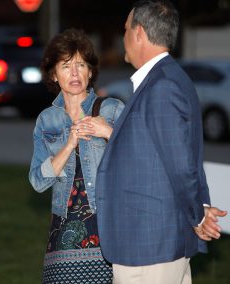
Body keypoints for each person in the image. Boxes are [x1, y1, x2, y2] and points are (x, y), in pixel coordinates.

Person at [94, 1, 228, 283]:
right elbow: (162, 152)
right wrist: (199, 210)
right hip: (159, 243)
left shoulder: (161, 86)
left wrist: (198, 217)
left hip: (148, 246)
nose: (123, 37)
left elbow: (180, 165)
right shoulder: (170, 78)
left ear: (139, 32)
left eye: (126, 29)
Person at [29, 28, 125, 284]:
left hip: (106, 224)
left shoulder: (112, 109)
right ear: (53, 74)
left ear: (90, 72)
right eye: (66, 66)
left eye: (80, 65)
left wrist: (108, 131)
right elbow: (38, 181)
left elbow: (137, 158)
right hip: (64, 230)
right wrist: (68, 145)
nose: (74, 73)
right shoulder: (46, 120)